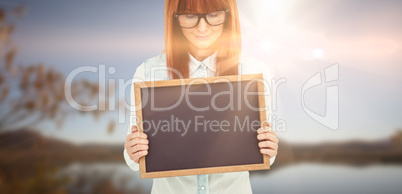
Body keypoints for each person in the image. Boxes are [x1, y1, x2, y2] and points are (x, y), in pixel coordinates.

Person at [124, 0, 279, 193]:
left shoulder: (254, 70)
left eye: (213, 15)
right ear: (174, 17)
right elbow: (134, 157)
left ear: (228, 15)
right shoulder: (149, 72)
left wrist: (269, 149)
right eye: (190, 15)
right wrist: (133, 151)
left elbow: (265, 155)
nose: (202, 27)